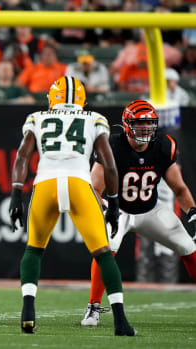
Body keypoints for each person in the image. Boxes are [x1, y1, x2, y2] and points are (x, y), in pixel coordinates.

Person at [9, 76, 135, 336]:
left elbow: (23, 155)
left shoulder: (37, 117)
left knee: (34, 249)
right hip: (79, 183)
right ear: (82, 100)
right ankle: (120, 320)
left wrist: (15, 193)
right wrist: (113, 204)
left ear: (51, 98)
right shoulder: (95, 119)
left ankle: (28, 311)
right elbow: (108, 164)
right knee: (103, 253)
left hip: (45, 185)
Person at [80, 100, 196, 326]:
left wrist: (192, 211)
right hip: (119, 210)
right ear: (126, 124)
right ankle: (93, 306)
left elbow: (179, 188)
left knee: (189, 248)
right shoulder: (112, 146)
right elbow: (94, 188)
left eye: (149, 124)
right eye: (139, 124)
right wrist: (106, 209)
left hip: (151, 210)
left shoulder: (163, 146)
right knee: (106, 249)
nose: (145, 129)